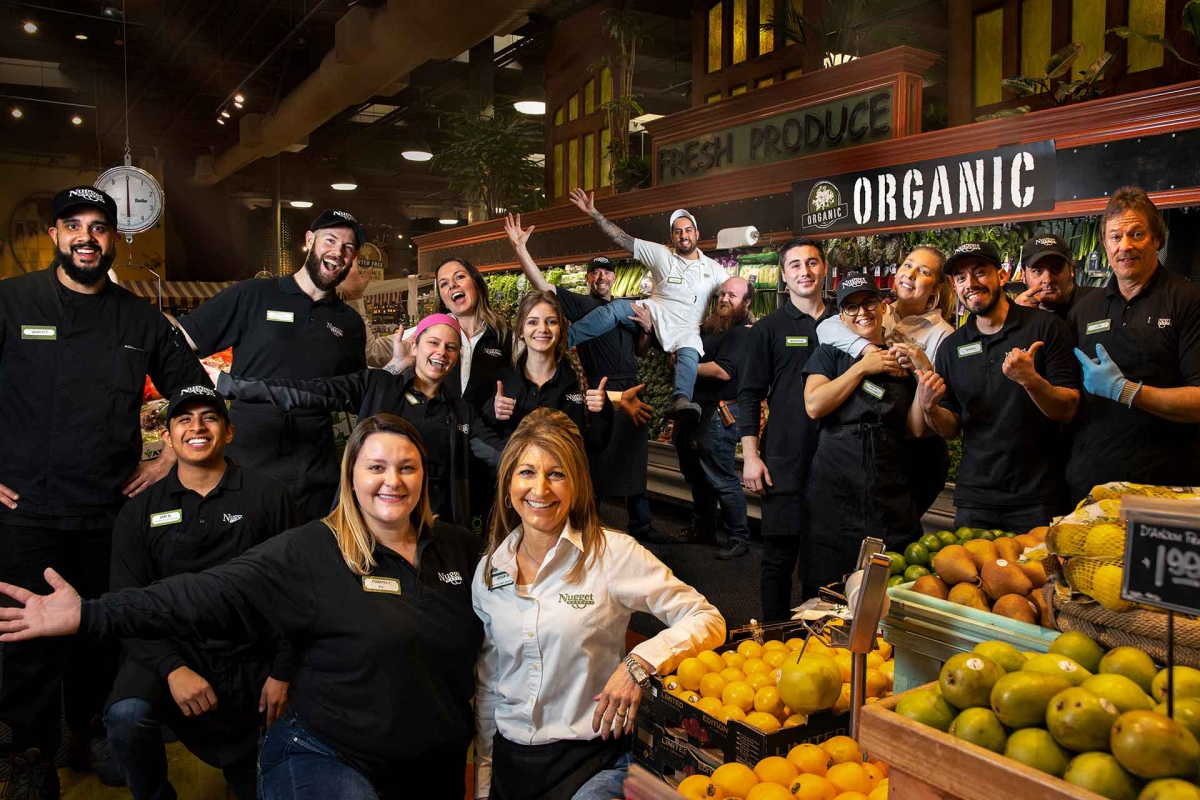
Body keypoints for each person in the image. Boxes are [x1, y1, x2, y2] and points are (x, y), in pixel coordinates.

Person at [0, 414, 484, 800]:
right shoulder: (312, 550)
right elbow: (201, 593)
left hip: (434, 766)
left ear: (424, 473)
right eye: (375, 467)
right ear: (351, 476)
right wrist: (87, 613)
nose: (392, 481)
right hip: (328, 754)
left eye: (407, 467)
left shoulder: (460, 548)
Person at [0, 186, 208, 793]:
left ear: (114, 238)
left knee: (101, 632)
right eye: (73, 225)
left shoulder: (140, 317)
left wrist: (169, 455)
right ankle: (30, 754)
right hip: (26, 514)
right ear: (56, 236)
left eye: (98, 226)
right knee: (25, 638)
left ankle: (92, 732)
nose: (86, 237)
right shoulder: (12, 302)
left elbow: (197, 391)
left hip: (107, 512)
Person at [472, 408, 725, 800]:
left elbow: (707, 618)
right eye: (526, 472)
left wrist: (639, 663)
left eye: (556, 474)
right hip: (513, 763)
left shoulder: (612, 555)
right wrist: (485, 781)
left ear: (576, 487)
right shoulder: (489, 571)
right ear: (507, 486)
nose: (540, 489)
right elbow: (490, 684)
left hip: (593, 762)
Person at [105, 385, 297, 800]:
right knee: (126, 715)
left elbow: (296, 590)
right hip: (167, 647)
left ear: (228, 432)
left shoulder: (269, 496)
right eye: (184, 420)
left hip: (250, 649)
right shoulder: (140, 510)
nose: (197, 427)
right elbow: (125, 605)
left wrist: (283, 670)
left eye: (209, 418)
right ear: (169, 438)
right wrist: (173, 668)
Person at [211, 314, 503, 531]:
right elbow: (308, 393)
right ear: (415, 347)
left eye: (451, 348)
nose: (442, 352)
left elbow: (499, 453)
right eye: (433, 343)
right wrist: (230, 384)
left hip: (428, 531)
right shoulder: (378, 387)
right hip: (365, 527)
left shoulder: (461, 412)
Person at [171, 209, 368, 521]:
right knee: (246, 561)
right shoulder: (253, 294)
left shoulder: (349, 323)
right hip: (248, 462)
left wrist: (396, 367)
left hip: (314, 471)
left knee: (306, 560)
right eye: (330, 240)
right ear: (309, 240)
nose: (338, 252)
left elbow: (353, 393)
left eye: (348, 247)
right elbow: (179, 342)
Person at [503, 214, 664, 544]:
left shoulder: (629, 309)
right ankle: (586, 527)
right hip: (597, 392)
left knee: (635, 462)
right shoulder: (580, 304)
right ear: (589, 277)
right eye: (596, 271)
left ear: (613, 278)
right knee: (595, 462)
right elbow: (542, 286)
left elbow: (643, 351)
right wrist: (521, 250)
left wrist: (647, 328)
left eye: (607, 271)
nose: (601, 276)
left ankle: (642, 528)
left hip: (632, 389)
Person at [917, 241, 1081, 531]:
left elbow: (1068, 409)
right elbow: (952, 427)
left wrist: (1030, 380)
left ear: (1002, 276)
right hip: (975, 500)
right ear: (954, 286)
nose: (971, 284)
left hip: (1038, 498)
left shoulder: (1045, 328)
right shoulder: (952, 347)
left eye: (980, 272)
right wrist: (929, 408)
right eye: (961, 278)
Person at [1067, 187, 1200, 500]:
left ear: (1157, 238)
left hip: (1165, 490)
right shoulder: (1084, 310)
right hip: (1091, 486)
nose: (1124, 246)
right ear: (1105, 244)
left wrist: (1127, 391)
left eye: (1136, 234)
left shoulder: (1188, 301)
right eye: (1115, 237)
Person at [816, 246, 956, 527]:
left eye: (924, 272)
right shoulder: (881, 311)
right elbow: (825, 328)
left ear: (937, 288)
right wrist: (869, 351)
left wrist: (921, 365)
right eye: (908, 265)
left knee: (896, 535)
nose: (911, 274)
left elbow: (936, 406)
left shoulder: (944, 335)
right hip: (881, 451)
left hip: (918, 453)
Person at [565, 188, 729, 423]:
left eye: (688, 230)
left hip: (686, 328)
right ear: (672, 237)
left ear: (697, 234)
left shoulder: (713, 269)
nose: (683, 235)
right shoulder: (661, 254)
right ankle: (567, 338)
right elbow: (622, 238)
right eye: (678, 231)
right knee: (615, 309)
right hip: (653, 311)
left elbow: (733, 292)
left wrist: (749, 320)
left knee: (690, 350)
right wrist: (593, 213)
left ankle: (680, 399)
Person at [803, 273, 926, 587]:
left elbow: (914, 428)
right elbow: (815, 404)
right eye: (851, 307)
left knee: (891, 585)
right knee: (828, 583)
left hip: (889, 487)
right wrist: (862, 368)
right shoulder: (829, 353)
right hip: (836, 489)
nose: (862, 312)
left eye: (869, 302)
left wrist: (925, 381)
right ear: (841, 315)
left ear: (883, 306)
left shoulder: (901, 357)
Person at [738, 238, 833, 622]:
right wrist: (750, 456)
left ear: (824, 269)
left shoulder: (845, 321)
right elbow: (748, 395)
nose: (804, 272)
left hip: (835, 461)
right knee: (778, 558)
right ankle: (774, 637)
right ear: (784, 275)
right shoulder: (769, 328)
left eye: (812, 263)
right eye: (795, 265)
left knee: (825, 561)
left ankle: (822, 639)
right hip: (784, 458)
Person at [671, 277, 755, 559]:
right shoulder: (711, 327)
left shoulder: (743, 333)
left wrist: (686, 365)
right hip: (696, 412)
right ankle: (703, 527)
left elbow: (723, 371)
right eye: (722, 294)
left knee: (721, 479)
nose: (724, 299)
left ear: (746, 303)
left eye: (733, 295)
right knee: (697, 477)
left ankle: (739, 537)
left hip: (720, 414)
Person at [485, 291, 614, 458]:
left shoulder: (582, 382)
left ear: (560, 329)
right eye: (532, 322)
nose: (542, 329)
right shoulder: (503, 382)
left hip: (566, 480)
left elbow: (596, 445)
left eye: (551, 322)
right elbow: (484, 438)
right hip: (519, 481)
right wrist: (492, 412)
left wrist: (602, 412)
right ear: (521, 331)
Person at [382, 257, 515, 416]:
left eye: (459, 277)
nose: (452, 285)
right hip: (436, 433)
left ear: (476, 284)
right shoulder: (424, 332)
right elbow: (378, 385)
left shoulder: (506, 337)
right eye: (444, 284)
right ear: (443, 299)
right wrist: (398, 363)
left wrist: (507, 404)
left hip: (486, 435)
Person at [1012, 233, 1096, 319]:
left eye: (1057, 269)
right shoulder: (1017, 316)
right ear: (1022, 274)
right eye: (1037, 271)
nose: (1048, 280)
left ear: (1071, 269)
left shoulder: (1096, 303)